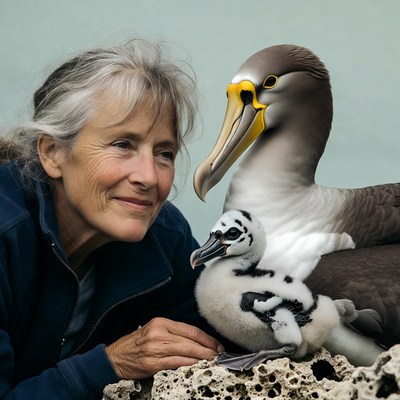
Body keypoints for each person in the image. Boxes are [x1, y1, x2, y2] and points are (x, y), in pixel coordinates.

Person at [0, 39, 224, 399]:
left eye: (164, 153)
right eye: (123, 145)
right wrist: (110, 365)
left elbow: (230, 339)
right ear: (52, 152)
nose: (149, 177)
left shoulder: (164, 236)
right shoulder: (5, 232)